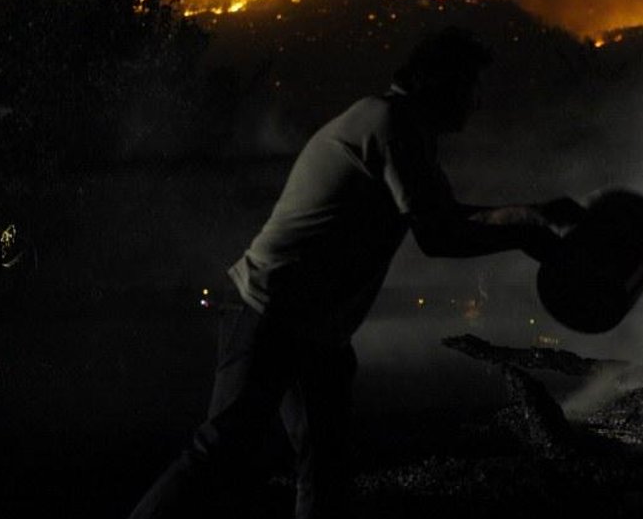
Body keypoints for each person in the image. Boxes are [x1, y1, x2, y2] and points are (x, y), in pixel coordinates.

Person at [127, 27, 584, 519]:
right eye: (469, 86)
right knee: (224, 452)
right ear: (439, 82)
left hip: (311, 327)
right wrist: (529, 223)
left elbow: (445, 218)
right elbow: (440, 234)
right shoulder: (391, 126)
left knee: (321, 471)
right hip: (271, 311)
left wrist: (528, 222)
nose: (475, 102)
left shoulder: (397, 127)